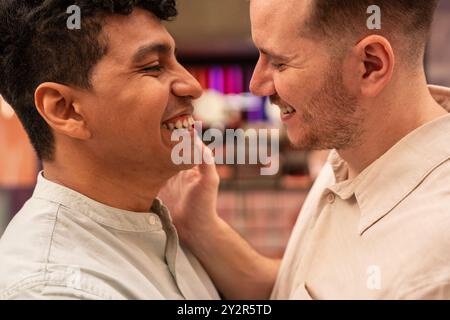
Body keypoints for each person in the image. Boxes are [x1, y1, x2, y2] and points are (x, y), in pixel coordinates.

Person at [160, 0, 450, 299]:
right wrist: (197, 225)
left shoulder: (432, 270)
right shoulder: (355, 148)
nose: (257, 85)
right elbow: (296, 287)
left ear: (369, 66)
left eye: (279, 62)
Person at [0, 0, 219, 300]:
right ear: (65, 110)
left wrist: (203, 229)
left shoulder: (162, 227)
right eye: (153, 67)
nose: (192, 86)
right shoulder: (50, 288)